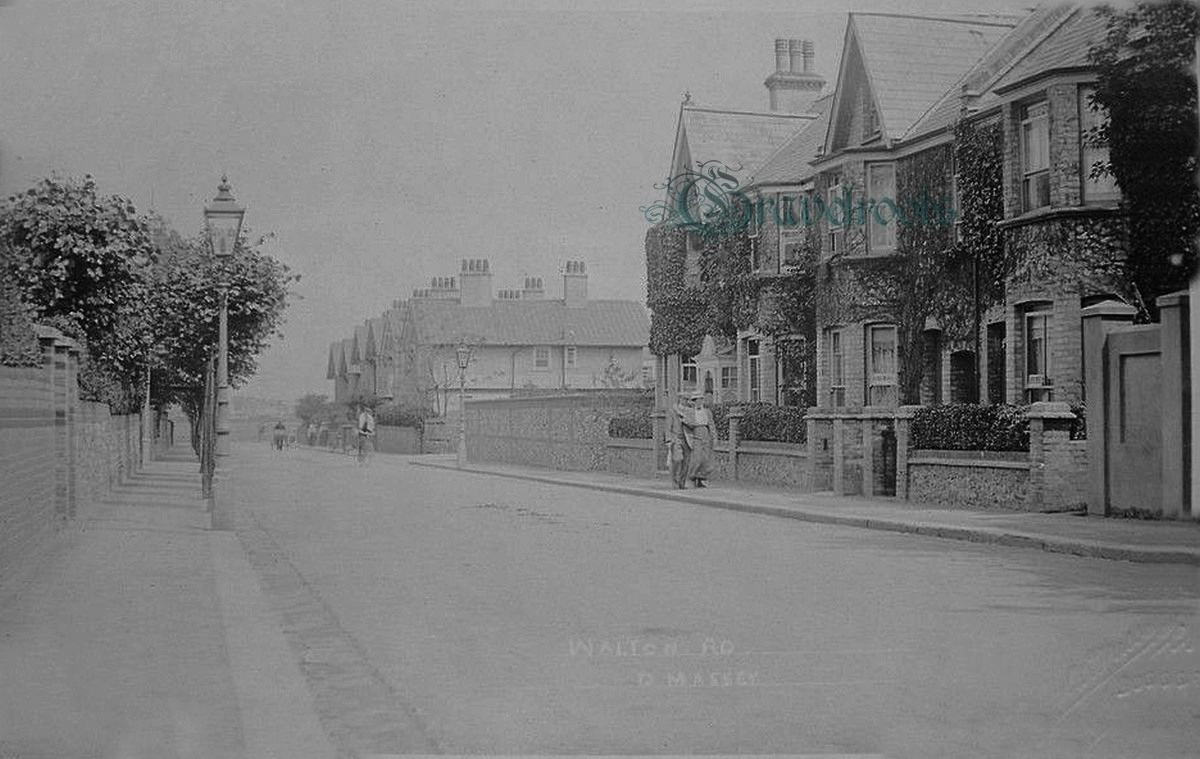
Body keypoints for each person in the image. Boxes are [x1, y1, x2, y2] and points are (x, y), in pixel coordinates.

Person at [683, 391, 715, 488]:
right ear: (694, 401)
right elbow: (687, 424)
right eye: (697, 400)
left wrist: (713, 436)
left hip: (705, 433)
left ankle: (702, 478)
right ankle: (691, 477)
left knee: (705, 458)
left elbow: (711, 424)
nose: (699, 402)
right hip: (696, 433)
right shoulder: (690, 412)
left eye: (701, 399)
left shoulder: (707, 412)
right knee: (696, 458)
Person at [666, 392, 691, 489]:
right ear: (680, 399)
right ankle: (675, 483)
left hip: (687, 439)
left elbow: (693, 424)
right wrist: (668, 440)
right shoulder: (672, 411)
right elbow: (668, 427)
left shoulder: (689, 412)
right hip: (675, 438)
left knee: (686, 462)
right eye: (684, 399)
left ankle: (682, 483)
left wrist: (685, 420)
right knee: (677, 459)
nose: (685, 401)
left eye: (687, 399)